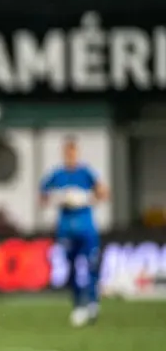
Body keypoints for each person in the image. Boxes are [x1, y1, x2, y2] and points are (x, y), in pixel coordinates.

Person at [40, 136, 109, 327]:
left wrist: (86, 198)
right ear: (64, 154)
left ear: (77, 153)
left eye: (73, 152)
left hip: (87, 229)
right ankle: (78, 305)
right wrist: (58, 198)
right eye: (67, 153)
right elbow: (42, 196)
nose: (70, 156)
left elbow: (103, 192)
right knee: (71, 269)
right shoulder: (57, 175)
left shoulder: (86, 173)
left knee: (91, 265)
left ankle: (93, 303)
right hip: (66, 230)